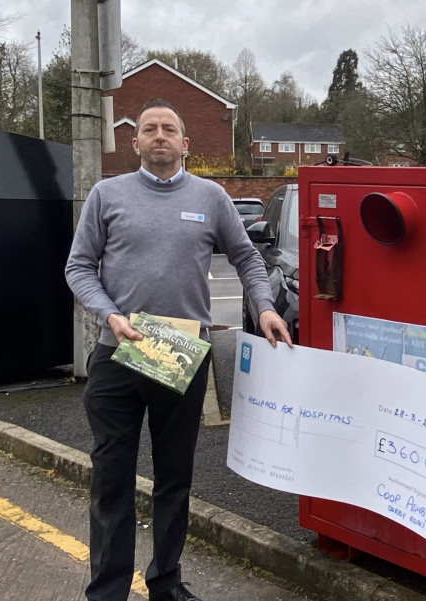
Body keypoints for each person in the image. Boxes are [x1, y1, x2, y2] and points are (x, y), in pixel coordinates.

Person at [65, 98, 293, 601]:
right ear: (136, 141)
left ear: (186, 143)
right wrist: (109, 314)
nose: (160, 135)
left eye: (170, 129)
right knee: (111, 481)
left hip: (182, 356)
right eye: (150, 129)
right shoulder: (107, 195)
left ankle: (166, 582)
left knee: (175, 480)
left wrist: (266, 307)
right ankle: (107, 591)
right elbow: (78, 267)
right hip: (118, 354)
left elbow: (248, 259)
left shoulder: (211, 197)